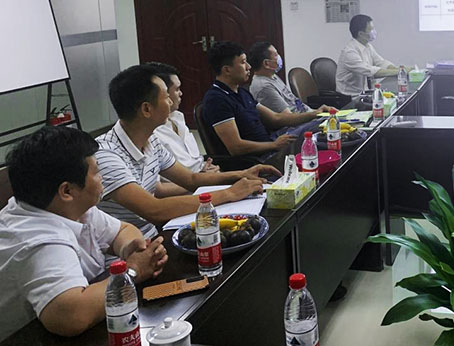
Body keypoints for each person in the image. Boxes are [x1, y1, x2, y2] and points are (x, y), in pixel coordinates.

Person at [0, 126, 168, 340]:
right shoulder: (38, 241)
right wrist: (133, 271)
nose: (102, 178)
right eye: (96, 172)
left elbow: (123, 230)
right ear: (67, 191)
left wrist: (130, 249)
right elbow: (71, 316)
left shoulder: (65, 206)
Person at [96, 64, 278, 239]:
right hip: (125, 251)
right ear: (146, 109)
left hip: (154, 236)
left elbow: (191, 179)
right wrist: (229, 193)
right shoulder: (106, 155)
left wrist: (241, 174)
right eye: (166, 97)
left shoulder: (151, 141)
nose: (170, 101)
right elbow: (154, 209)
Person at [202, 41, 325, 158]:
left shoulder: (241, 92)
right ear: (227, 70)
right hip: (260, 157)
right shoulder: (216, 100)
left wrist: (315, 114)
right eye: (243, 63)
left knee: (322, 124)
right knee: (317, 134)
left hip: (271, 142)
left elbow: (275, 118)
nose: (249, 67)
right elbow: (236, 147)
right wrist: (274, 145)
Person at [147, 62, 219, 175]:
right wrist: (202, 176)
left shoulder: (177, 117)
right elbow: (162, 182)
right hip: (192, 183)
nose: (181, 93)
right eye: (177, 89)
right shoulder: (151, 132)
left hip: (205, 174)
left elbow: (194, 161)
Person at [248, 42, 320, 114]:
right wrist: (314, 114)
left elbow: (296, 104)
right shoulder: (264, 87)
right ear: (266, 63)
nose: (279, 57)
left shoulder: (272, 76)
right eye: (276, 55)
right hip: (302, 120)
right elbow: (288, 117)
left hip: (308, 116)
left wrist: (318, 112)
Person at [336, 14, 399, 96]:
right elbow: (371, 71)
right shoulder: (349, 52)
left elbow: (381, 62)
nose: (374, 31)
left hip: (365, 94)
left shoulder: (368, 46)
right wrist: (398, 72)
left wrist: (397, 69)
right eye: (371, 29)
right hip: (350, 98)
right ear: (361, 34)